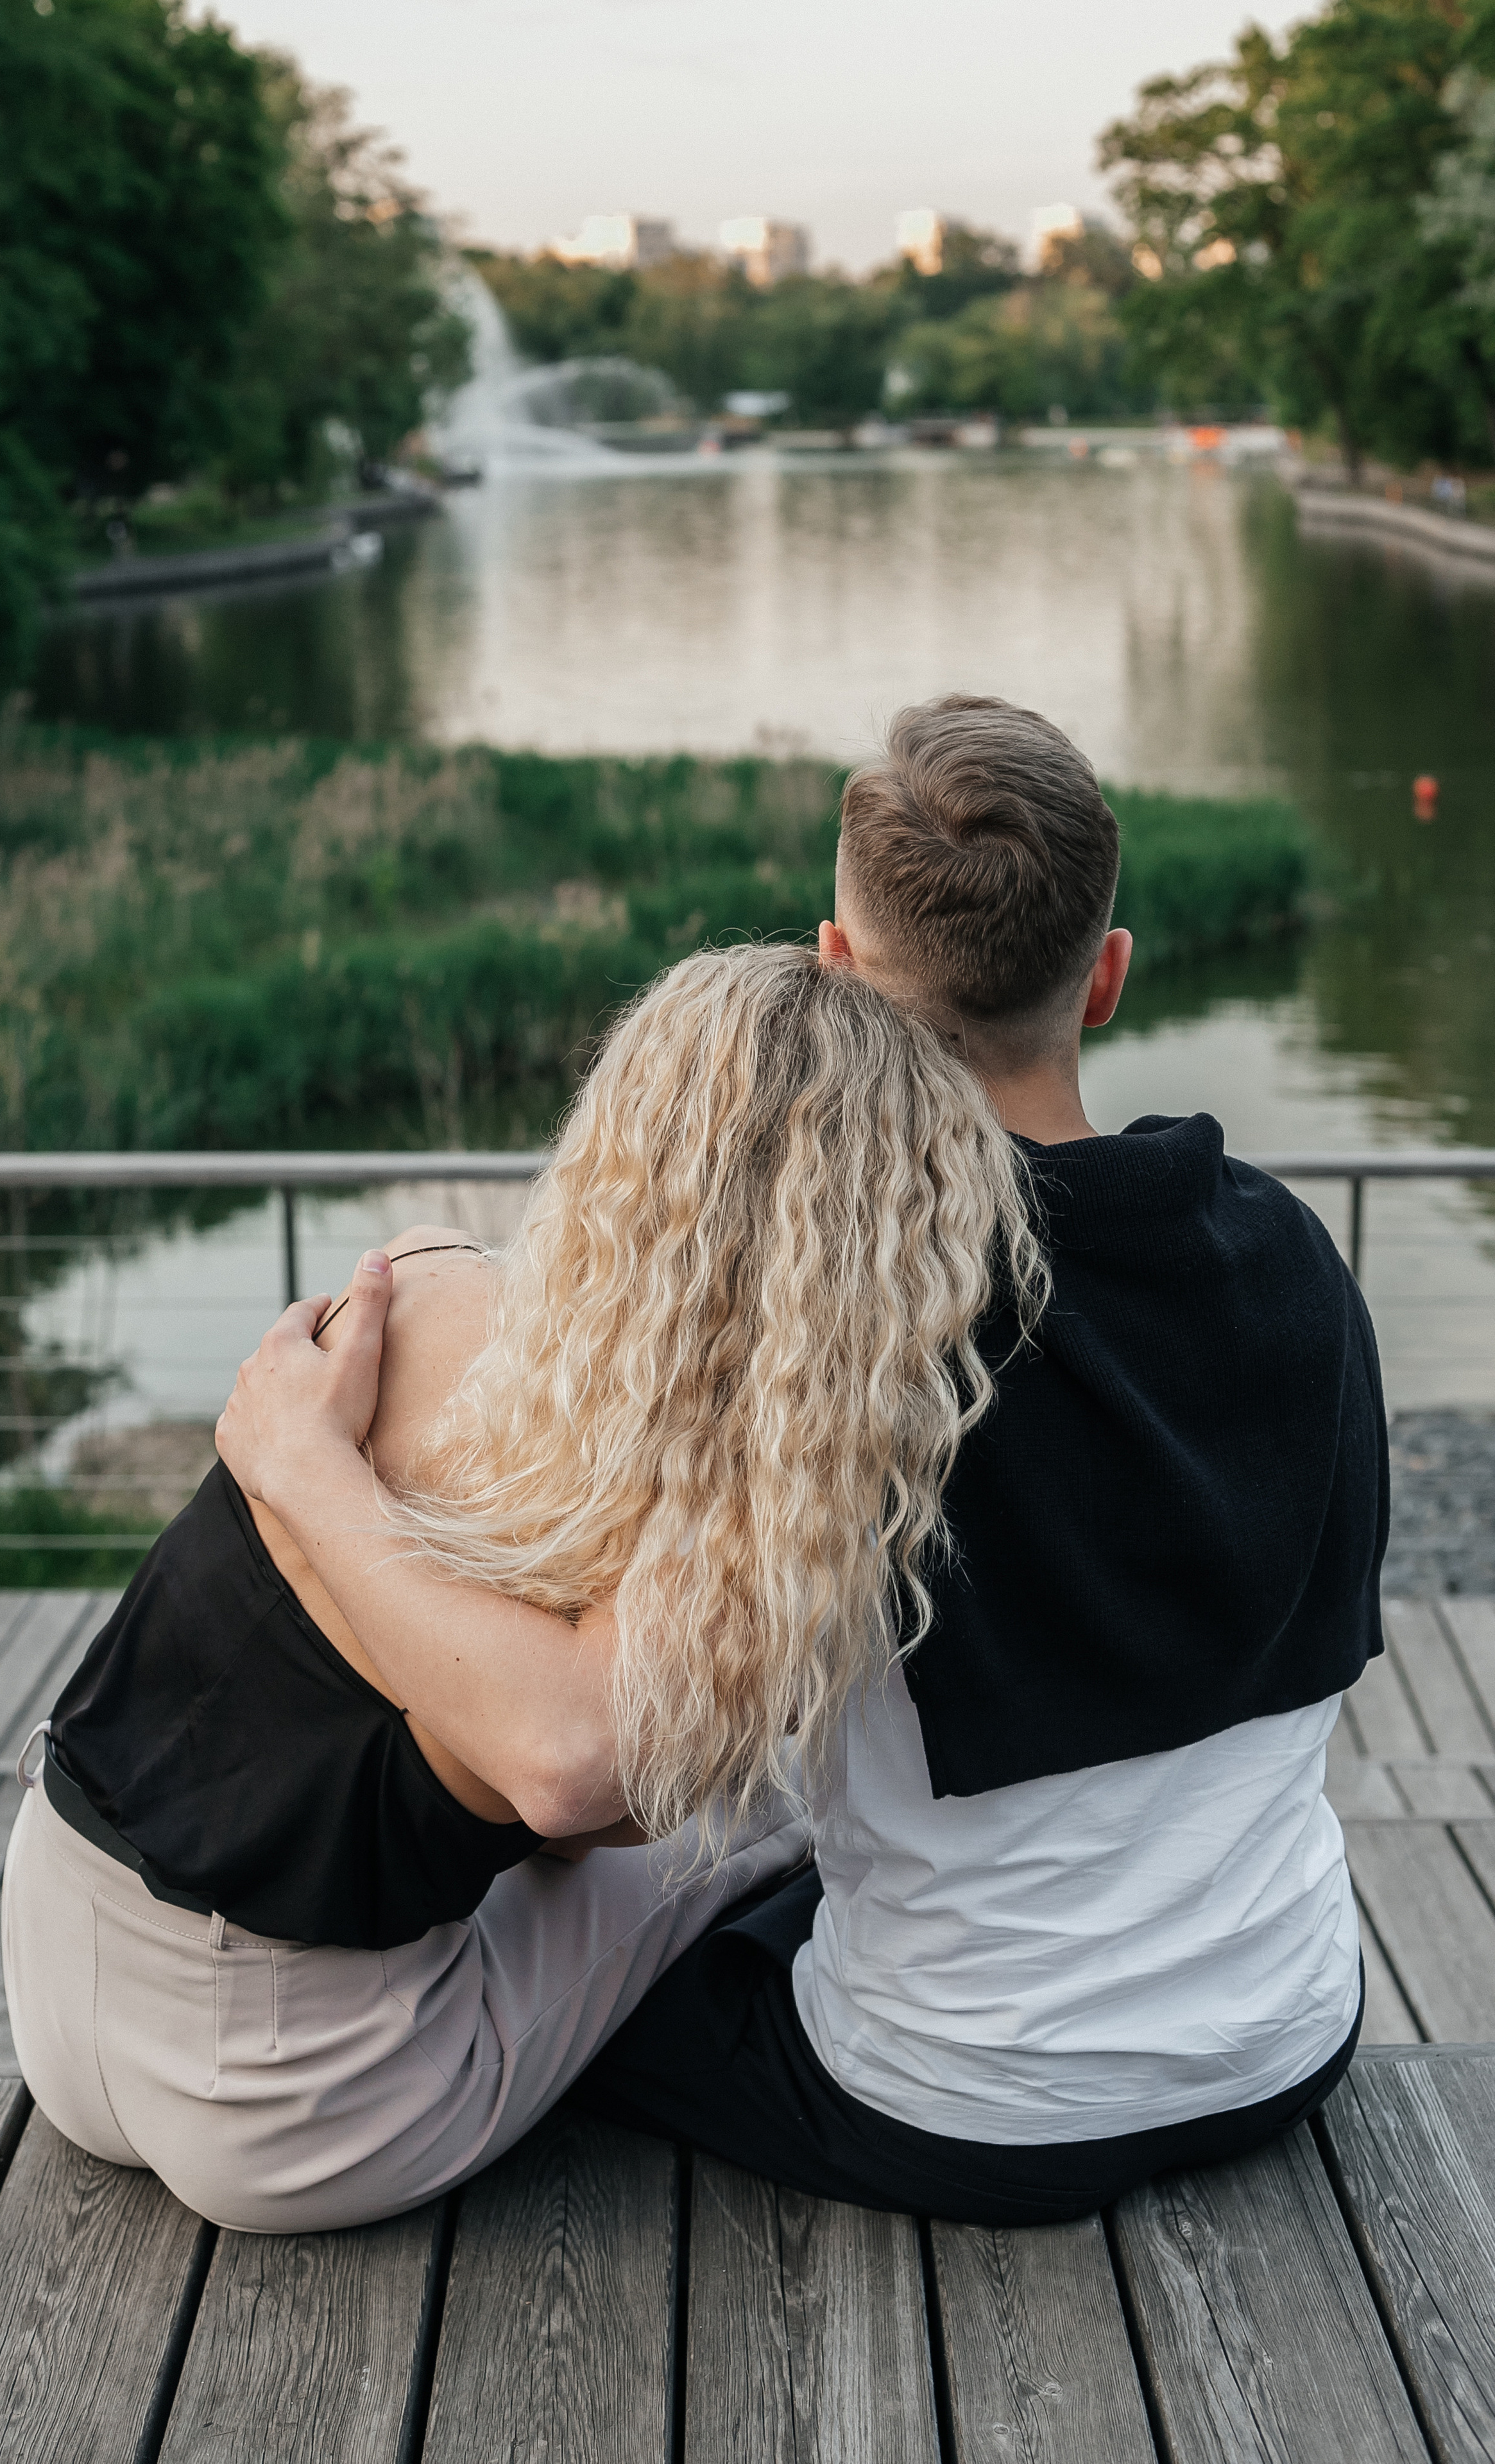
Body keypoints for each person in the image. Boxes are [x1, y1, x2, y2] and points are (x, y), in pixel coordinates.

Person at [230, 693, 1386, 2227]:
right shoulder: (1297, 1258)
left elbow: (586, 1760)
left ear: (832, 973)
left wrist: (304, 1473)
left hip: (965, 2109)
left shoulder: (838, 1342)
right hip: (1287, 2030)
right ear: (1103, 977)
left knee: (558, 1963)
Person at [1, 939, 1039, 2231]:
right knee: (768, 1811)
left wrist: (307, 1467)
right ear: (873, 1258)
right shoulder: (707, 1542)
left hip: (47, 1953)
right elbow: (572, 1786)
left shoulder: (423, 1276)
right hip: (295, 2105)